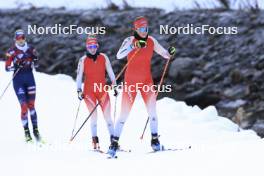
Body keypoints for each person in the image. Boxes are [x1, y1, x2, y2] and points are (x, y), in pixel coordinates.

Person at [108, 16, 176, 156]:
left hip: (146, 81)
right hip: (131, 82)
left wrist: (169, 53)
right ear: (135, 29)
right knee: (124, 114)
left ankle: (155, 141)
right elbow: (119, 56)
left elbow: (164, 54)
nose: (144, 32)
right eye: (141, 29)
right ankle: (114, 143)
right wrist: (134, 46)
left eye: (146, 28)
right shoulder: (129, 40)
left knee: (153, 113)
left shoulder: (151, 41)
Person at [76, 35, 118, 150]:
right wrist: (78, 91)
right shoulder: (82, 60)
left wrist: (115, 86)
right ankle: (95, 141)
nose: (92, 49)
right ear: (86, 47)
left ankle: (113, 141)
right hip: (89, 93)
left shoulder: (104, 57)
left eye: (94, 46)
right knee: (94, 117)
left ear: (97, 46)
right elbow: (79, 77)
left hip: (102, 91)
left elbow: (110, 72)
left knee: (108, 117)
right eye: (90, 46)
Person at [5, 29, 41, 143]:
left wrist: (36, 59)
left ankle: (36, 131)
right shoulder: (11, 51)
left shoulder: (31, 49)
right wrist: (15, 66)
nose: (21, 40)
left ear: (25, 38)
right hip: (18, 80)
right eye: (18, 38)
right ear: (15, 39)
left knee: (32, 106)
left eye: (22, 38)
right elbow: (7, 68)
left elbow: (38, 64)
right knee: (24, 106)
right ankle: (27, 132)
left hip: (30, 79)